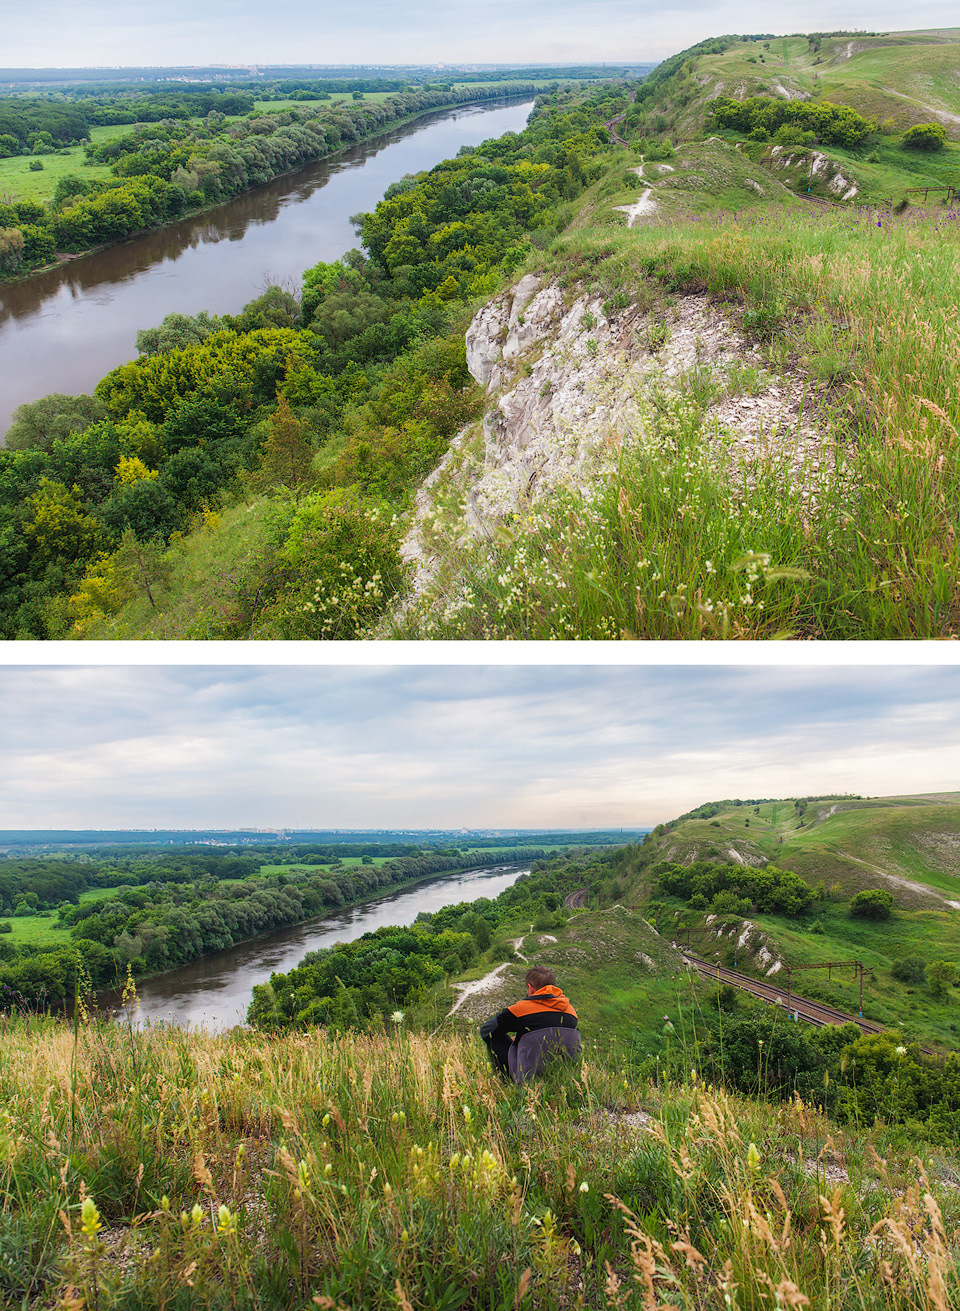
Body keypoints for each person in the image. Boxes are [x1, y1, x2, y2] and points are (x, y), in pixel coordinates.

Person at [480, 966, 581, 1083]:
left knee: (493, 1036)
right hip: (566, 1078)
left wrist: (516, 1041)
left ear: (530, 988)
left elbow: (486, 1030)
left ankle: (507, 1082)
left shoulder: (521, 1009)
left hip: (529, 1079)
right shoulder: (570, 1010)